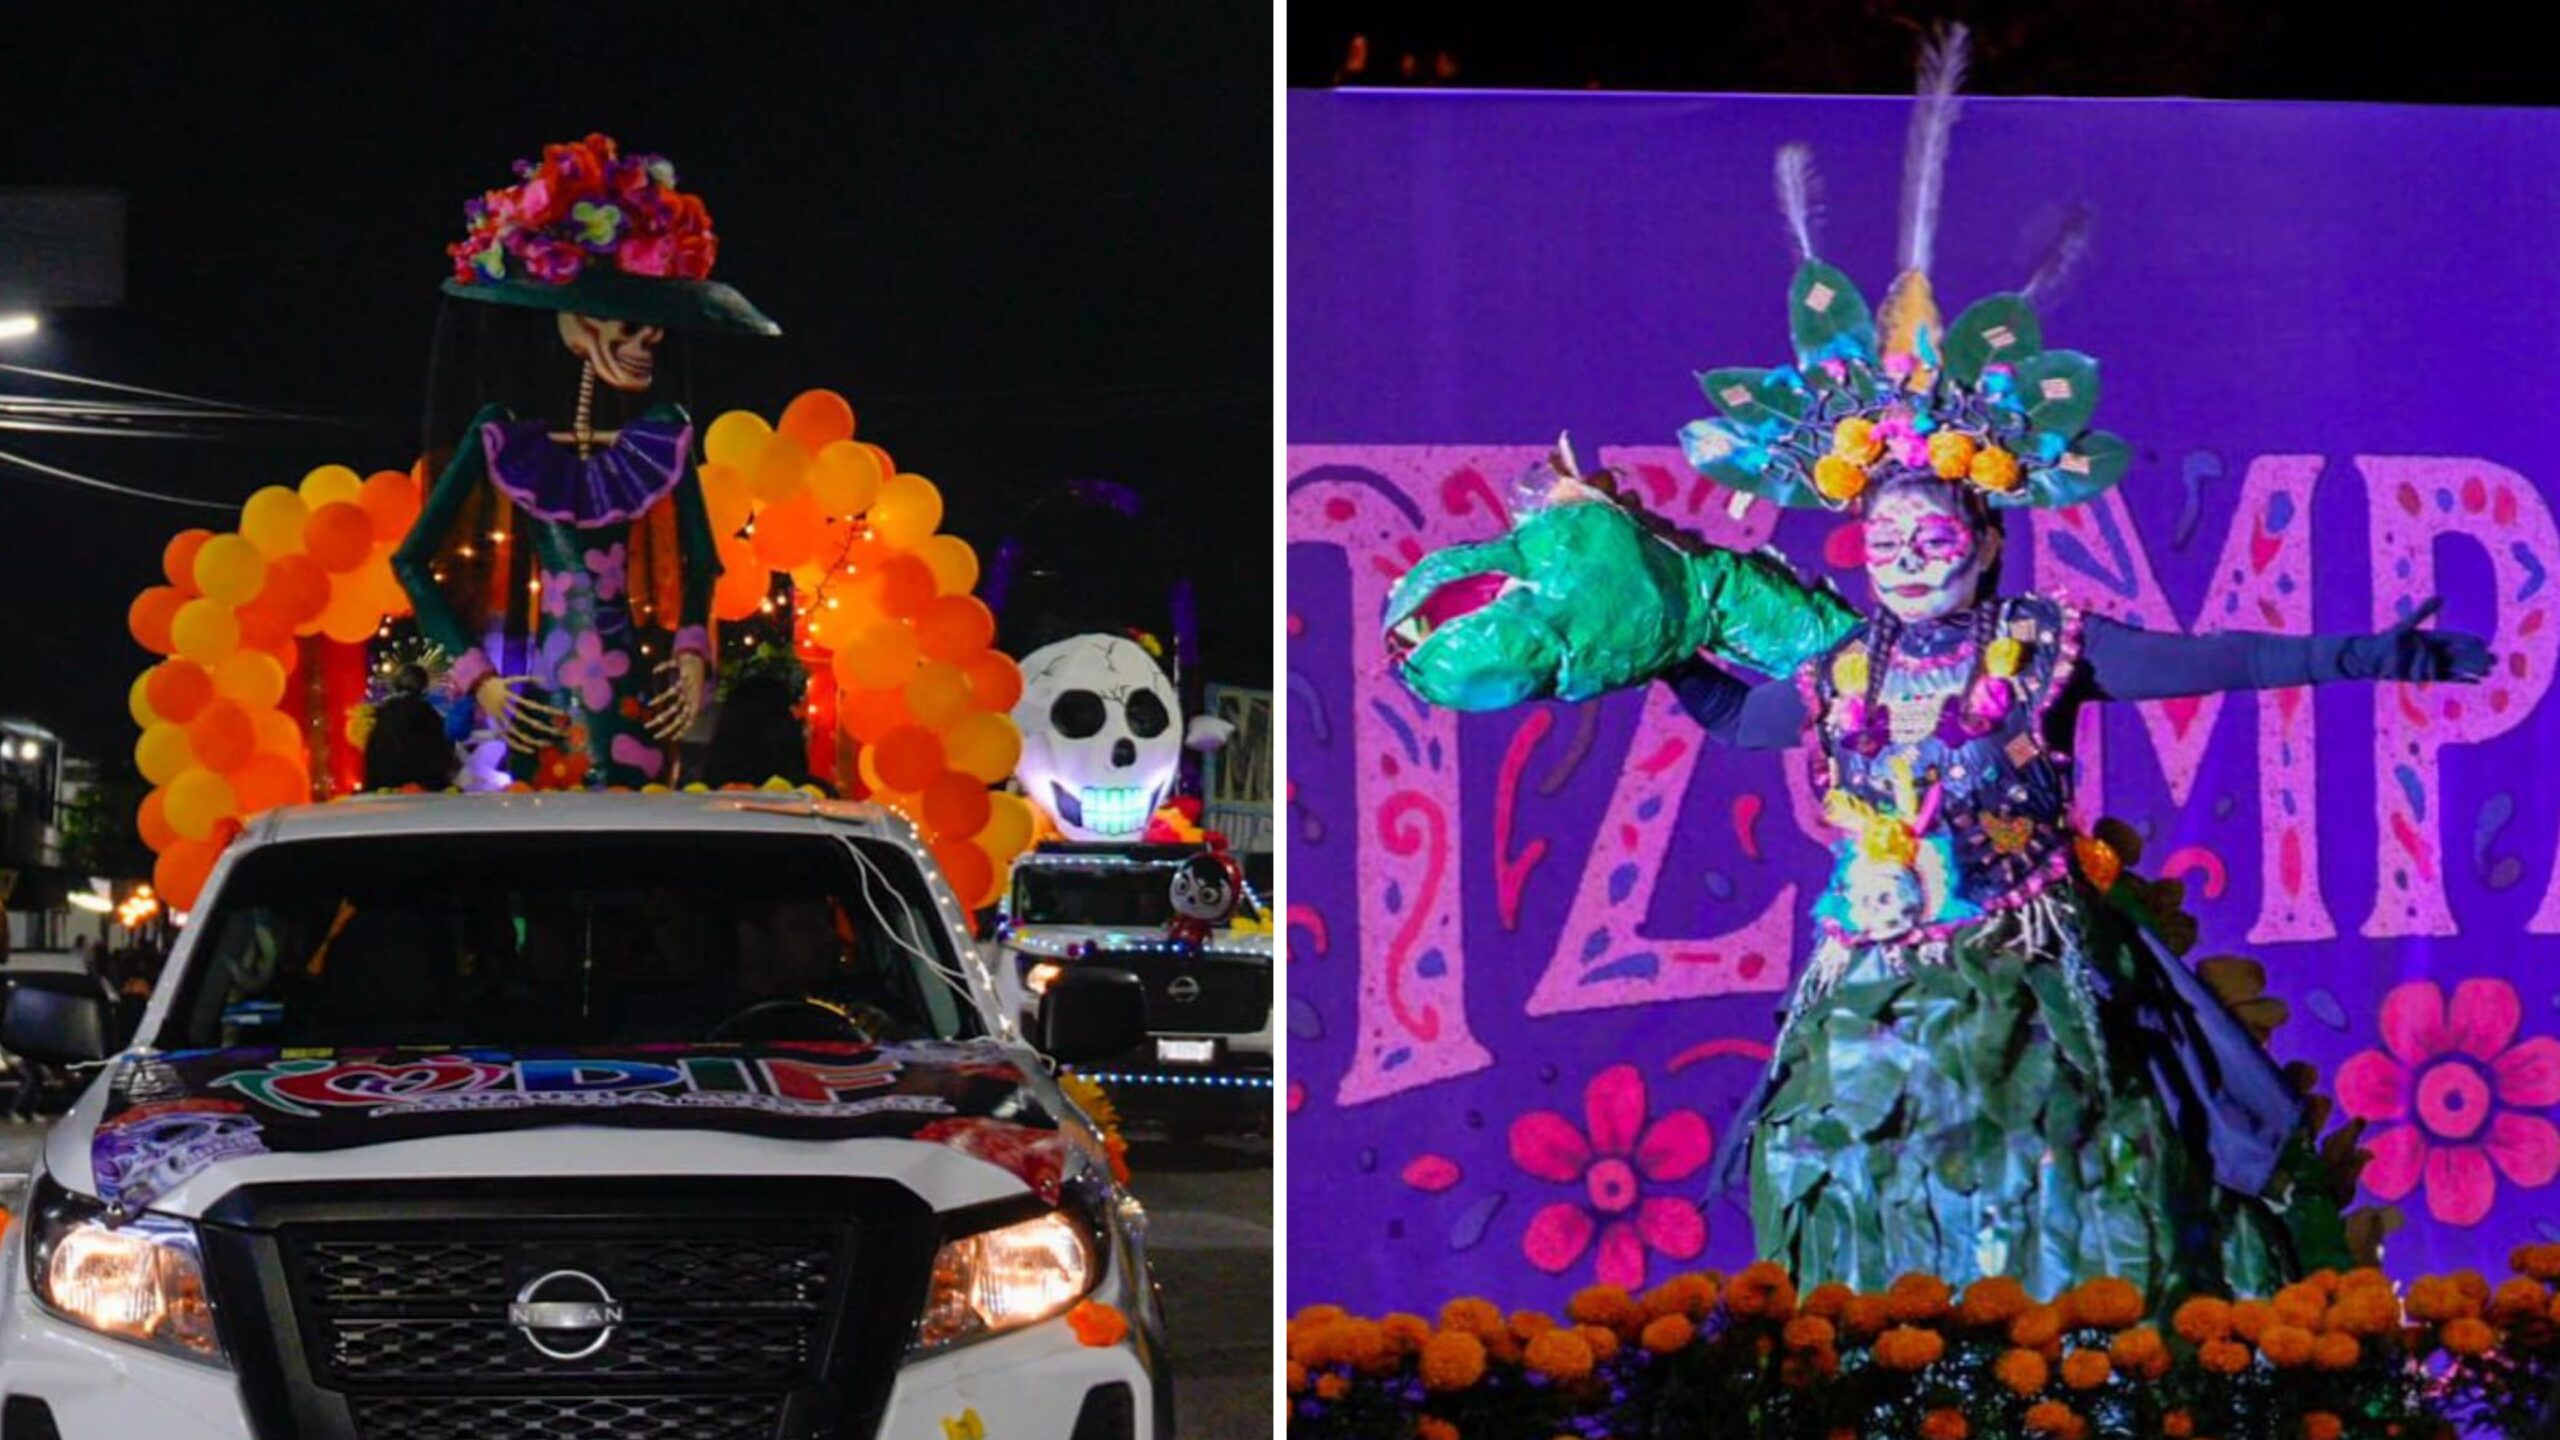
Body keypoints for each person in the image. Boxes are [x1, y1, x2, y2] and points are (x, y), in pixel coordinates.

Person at [1383, 27, 2492, 1306]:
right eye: (1889, 535)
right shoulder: (1843, 667)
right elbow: (1746, 727)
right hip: (1867, 968)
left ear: (1981, 538)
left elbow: (2217, 661)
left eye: (1936, 534)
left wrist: (2370, 652)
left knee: (2064, 1175)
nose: (1910, 554)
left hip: (2025, 967)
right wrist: (1666, 656)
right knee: (1833, 1163)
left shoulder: (2039, 648)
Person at [394, 133, 779, 789]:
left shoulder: (662, 436)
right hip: (538, 707)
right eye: (626, 329)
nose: (644, 347)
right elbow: (409, 561)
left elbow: (703, 562)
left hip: (637, 701)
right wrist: (477, 678)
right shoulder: (505, 439)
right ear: (573, 324)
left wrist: (692, 650)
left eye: (652, 332)